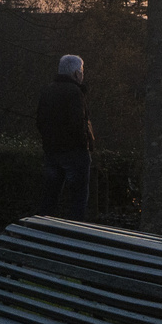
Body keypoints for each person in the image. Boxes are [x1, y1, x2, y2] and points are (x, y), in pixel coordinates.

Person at [36, 55, 95, 220]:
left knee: (49, 197)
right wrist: (85, 145)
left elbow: (40, 121)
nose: (83, 75)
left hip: (52, 150)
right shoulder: (75, 92)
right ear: (76, 73)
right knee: (78, 199)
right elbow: (78, 123)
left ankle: (44, 232)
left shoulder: (48, 90)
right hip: (74, 152)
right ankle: (74, 235)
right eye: (82, 72)